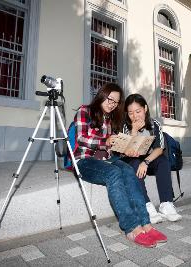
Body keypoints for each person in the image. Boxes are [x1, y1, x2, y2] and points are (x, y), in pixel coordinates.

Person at [72, 83, 167, 247]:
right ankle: (131, 228)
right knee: (114, 174)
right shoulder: (84, 111)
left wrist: (126, 149)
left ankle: (146, 223)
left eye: (115, 102)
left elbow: (116, 148)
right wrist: (105, 141)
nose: (111, 104)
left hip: (108, 159)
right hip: (85, 160)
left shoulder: (112, 119)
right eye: (109, 99)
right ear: (101, 95)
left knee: (129, 170)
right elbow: (81, 139)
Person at [122, 93, 182, 224]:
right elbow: (127, 151)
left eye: (138, 111)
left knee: (163, 161)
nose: (135, 116)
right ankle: (146, 205)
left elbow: (159, 149)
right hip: (133, 161)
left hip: (148, 161)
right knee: (134, 162)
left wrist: (146, 161)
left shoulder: (154, 124)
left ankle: (166, 204)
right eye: (131, 113)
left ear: (145, 109)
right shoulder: (126, 126)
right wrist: (133, 131)